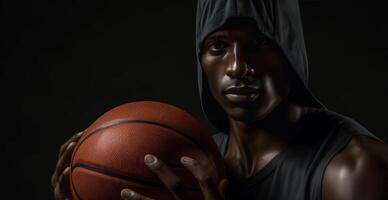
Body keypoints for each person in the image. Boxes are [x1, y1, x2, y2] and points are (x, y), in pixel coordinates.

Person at [52, 0, 388, 199]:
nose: (238, 66)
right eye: (218, 47)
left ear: (290, 52)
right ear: (201, 60)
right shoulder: (187, 166)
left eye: (258, 43)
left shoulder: (355, 169)